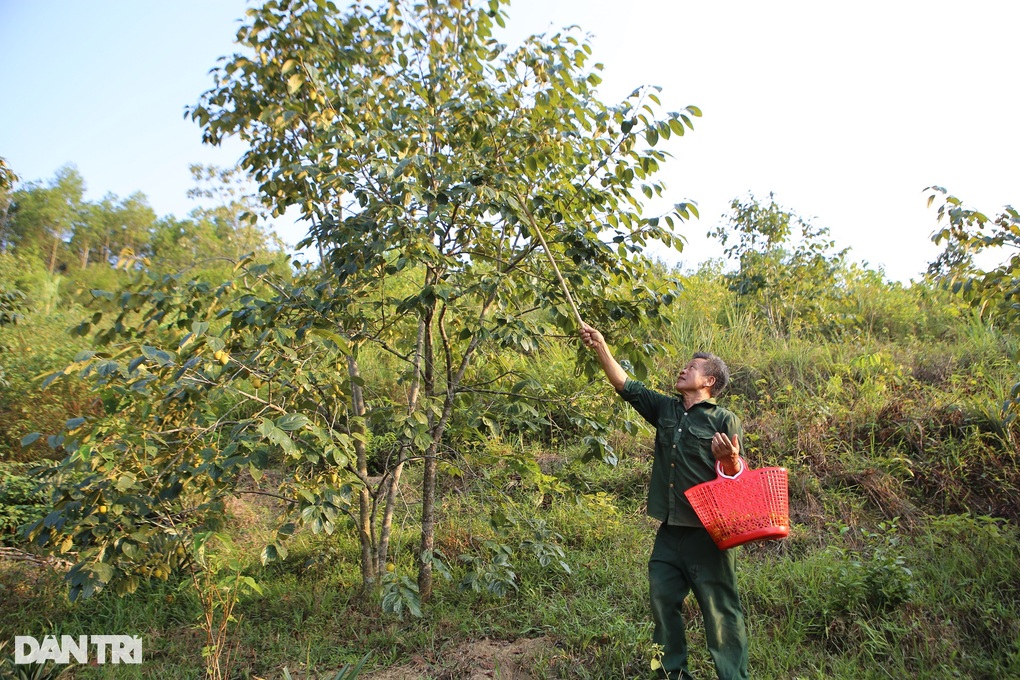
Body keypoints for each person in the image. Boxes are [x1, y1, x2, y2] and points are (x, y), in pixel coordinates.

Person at [579, 322, 749, 680]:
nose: (684, 369)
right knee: (662, 603)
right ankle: (673, 675)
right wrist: (601, 346)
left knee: (721, 614)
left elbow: (737, 477)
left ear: (709, 382)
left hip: (709, 536)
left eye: (693, 366)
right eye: (685, 365)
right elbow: (625, 385)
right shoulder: (666, 410)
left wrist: (731, 460)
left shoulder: (723, 418)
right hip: (670, 533)